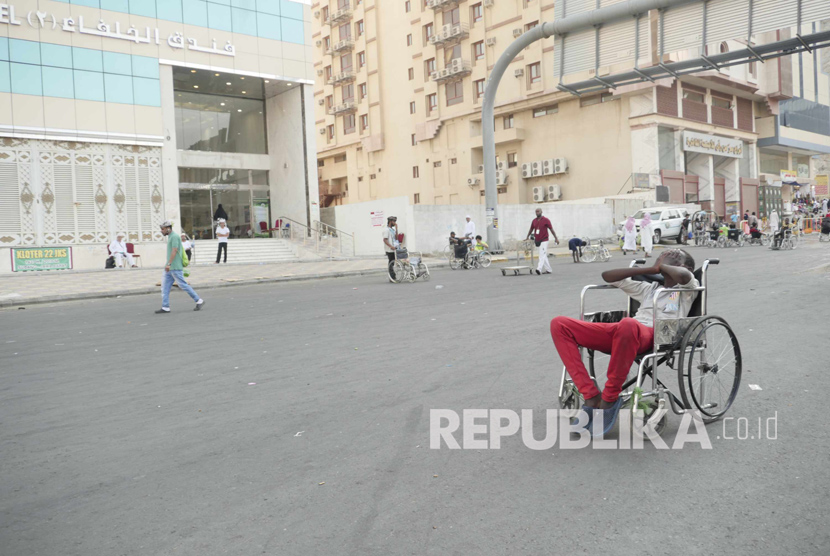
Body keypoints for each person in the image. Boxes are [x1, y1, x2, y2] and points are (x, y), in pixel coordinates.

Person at [550, 249, 698, 436]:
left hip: (654, 335)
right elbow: (608, 277)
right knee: (559, 324)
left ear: (688, 267)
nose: (668, 256)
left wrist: (664, 265)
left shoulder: (688, 289)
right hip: (625, 332)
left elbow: (684, 276)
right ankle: (591, 395)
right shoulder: (650, 288)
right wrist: (651, 269)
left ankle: (610, 397)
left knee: (628, 324)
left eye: (676, 257)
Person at [156, 221, 204, 314]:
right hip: (170, 268)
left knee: (183, 285)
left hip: (174, 267)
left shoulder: (174, 236)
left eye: (163, 229)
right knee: (165, 287)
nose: (161, 231)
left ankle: (199, 300)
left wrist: (169, 264)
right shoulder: (171, 236)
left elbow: (174, 250)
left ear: (168, 228)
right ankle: (165, 307)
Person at [526, 208, 559, 275]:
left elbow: (551, 229)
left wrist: (556, 238)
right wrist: (527, 236)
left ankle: (539, 269)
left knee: (542, 255)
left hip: (544, 239)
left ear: (541, 212)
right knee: (543, 255)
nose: (537, 213)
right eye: (536, 212)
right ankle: (548, 269)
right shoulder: (534, 221)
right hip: (537, 240)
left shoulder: (546, 220)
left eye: (538, 211)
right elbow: (531, 229)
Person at [383, 216, 398, 281]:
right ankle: (392, 277)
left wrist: (397, 229)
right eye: (394, 221)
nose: (395, 223)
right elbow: (385, 240)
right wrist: (391, 246)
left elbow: (396, 238)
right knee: (391, 263)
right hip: (389, 249)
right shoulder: (386, 230)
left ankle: (392, 276)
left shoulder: (393, 230)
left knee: (393, 262)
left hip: (394, 248)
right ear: (390, 221)